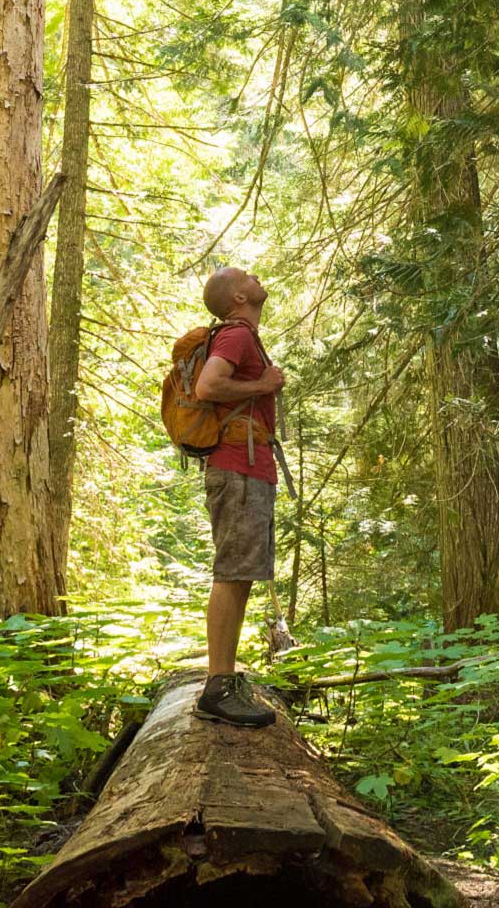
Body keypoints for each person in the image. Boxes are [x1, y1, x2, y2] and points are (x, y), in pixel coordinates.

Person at [191, 267, 285, 727]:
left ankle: (222, 682)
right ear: (240, 296)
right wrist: (263, 386)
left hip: (247, 466)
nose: (256, 277)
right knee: (232, 573)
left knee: (241, 572)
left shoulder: (242, 336)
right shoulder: (237, 336)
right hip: (237, 465)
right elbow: (207, 386)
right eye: (248, 275)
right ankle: (217, 688)